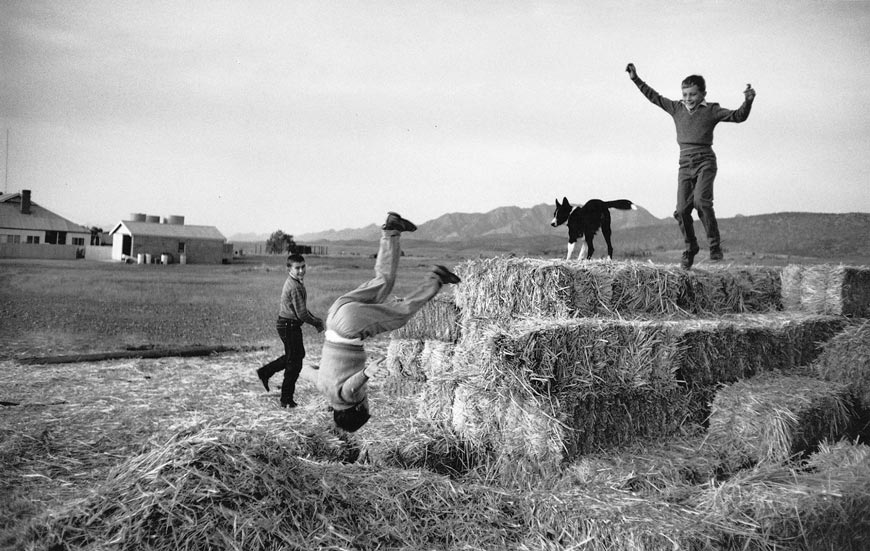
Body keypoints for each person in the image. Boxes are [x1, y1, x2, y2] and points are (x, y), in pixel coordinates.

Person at [316, 212, 461, 432]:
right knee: (383, 282)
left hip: (349, 327)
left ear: (356, 408)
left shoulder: (346, 397)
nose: (365, 400)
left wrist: (367, 373)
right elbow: (306, 370)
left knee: (401, 314)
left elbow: (351, 387)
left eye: (365, 404)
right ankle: (391, 231)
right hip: (335, 314)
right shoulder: (322, 386)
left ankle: (437, 278)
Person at [626, 62, 756, 269]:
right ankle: (691, 247)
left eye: (693, 95)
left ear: (703, 94)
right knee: (681, 210)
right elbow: (654, 97)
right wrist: (635, 79)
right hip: (684, 164)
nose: (688, 99)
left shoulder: (712, 110)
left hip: (705, 161)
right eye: (685, 94)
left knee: (701, 202)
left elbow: (738, 116)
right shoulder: (676, 108)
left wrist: (748, 101)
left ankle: (714, 246)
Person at [256, 253, 324, 408]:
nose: (301, 271)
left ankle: (265, 372)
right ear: (289, 269)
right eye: (297, 268)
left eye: (303, 267)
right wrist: (317, 323)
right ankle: (286, 399)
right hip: (289, 326)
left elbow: (301, 310)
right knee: (295, 363)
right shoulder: (295, 286)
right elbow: (301, 314)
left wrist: (316, 319)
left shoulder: (296, 282)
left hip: (287, 325)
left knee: (295, 356)